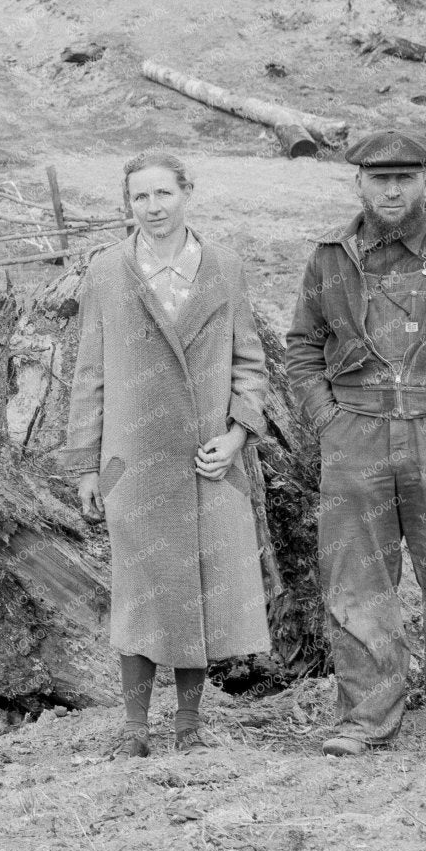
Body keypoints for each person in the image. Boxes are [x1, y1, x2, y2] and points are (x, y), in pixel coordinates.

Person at [64, 150, 271, 757]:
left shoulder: (224, 266)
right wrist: (86, 465)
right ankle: (134, 729)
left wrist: (235, 437)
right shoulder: (107, 270)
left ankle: (189, 724)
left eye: (163, 194)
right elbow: (89, 373)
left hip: (207, 461)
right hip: (131, 462)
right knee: (140, 589)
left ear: (187, 194)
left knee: (196, 589)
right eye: (140, 197)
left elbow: (250, 365)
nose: (152, 207)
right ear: (127, 204)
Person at [283, 129, 426, 759]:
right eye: (380, 178)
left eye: (405, 178)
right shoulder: (330, 257)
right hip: (356, 434)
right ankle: (365, 719)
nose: (393, 190)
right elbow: (303, 346)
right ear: (359, 182)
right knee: (355, 580)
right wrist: (327, 420)